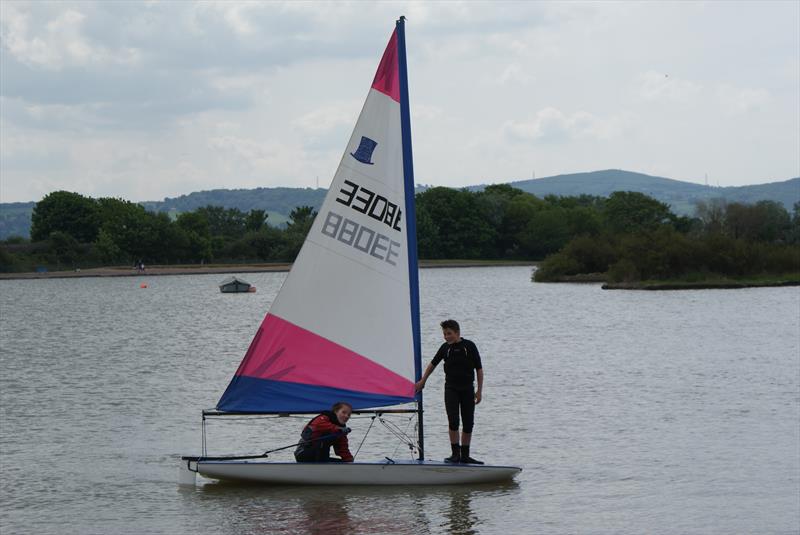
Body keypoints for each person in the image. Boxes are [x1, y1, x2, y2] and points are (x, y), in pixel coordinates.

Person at [415, 319, 484, 464]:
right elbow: (433, 364)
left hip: (467, 389)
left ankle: (465, 455)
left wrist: (479, 391)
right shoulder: (445, 348)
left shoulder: (469, 346)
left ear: (457, 332)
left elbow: (479, 369)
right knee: (453, 421)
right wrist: (423, 381)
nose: (446, 337)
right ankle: (455, 454)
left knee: (468, 423)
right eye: (445, 334)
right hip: (451, 389)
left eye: (449, 334)